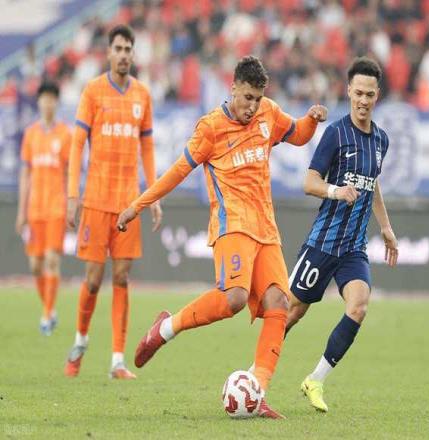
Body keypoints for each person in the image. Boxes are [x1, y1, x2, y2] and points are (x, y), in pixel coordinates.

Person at [117, 55, 327, 418]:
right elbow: (178, 171)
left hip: (266, 227)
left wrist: (311, 119)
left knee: (279, 304)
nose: (252, 106)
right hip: (232, 224)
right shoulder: (211, 127)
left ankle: (257, 392)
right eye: (247, 98)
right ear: (233, 89)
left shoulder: (269, 113)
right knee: (234, 298)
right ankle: (165, 328)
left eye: (257, 99)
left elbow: (298, 134)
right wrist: (138, 205)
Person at [286, 57, 399, 412]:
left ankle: (315, 380)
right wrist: (336, 191)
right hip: (323, 242)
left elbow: (372, 184)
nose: (363, 100)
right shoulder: (335, 133)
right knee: (289, 314)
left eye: (370, 94)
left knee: (359, 306)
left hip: (353, 248)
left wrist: (386, 227)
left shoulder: (381, 140)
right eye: (358, 93)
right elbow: (309, 182)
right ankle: (257, 374)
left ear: (377, 95)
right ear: (348, 91)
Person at [64, 24, 162, 379]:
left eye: (128, 49)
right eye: (118, 48)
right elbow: (77, 144)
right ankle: (80, 341)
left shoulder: (142, 95)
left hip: (127, 205)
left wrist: (153, 195)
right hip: (95, 201)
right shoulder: (92, 91)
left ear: (133, 54)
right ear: (109, 52)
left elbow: (147, 148)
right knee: (93, 279)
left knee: (121, 276)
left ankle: (117, 361)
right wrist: (73, 195)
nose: (123, 54)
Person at [16, 81, 71, 336]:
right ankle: (50, 308)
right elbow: (25, 174)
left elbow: (70, 173)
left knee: (52, 259)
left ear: (56, 102)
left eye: (51, 98)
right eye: (44, 98)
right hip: (35, 208)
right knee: (35, 266)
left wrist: (71, 203)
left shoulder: (65, 134)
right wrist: (22, 211)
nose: (47, 103)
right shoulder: (31, 135)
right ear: (38, 102)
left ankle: (47, 315)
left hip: (56, 207)